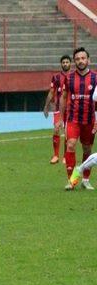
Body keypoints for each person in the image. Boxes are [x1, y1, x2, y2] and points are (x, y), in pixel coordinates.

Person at [58, 47, 97, 190]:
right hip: (73, 119)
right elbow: (63, 98)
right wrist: (60, 118)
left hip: (90, 120)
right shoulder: (69, 78)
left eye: (83, 58)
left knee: (87, 149)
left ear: (88, 60)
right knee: (71, 145)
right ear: (74, 61)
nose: (81, 61)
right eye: (78, 59)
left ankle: (85, 180)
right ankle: (71, 180)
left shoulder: (95, 78)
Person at [43, 55, 72, 164]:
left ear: (70, 63)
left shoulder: (73, 77)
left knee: (67, 132)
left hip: (71, 108)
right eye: (63, 62)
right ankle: (56, 156)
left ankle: (65, 156)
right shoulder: (56, 77)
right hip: (58, 108)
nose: (65, 64)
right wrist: (46, 106)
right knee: (56, 129)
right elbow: (51, 91)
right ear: (61, 64)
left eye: (67, 62)